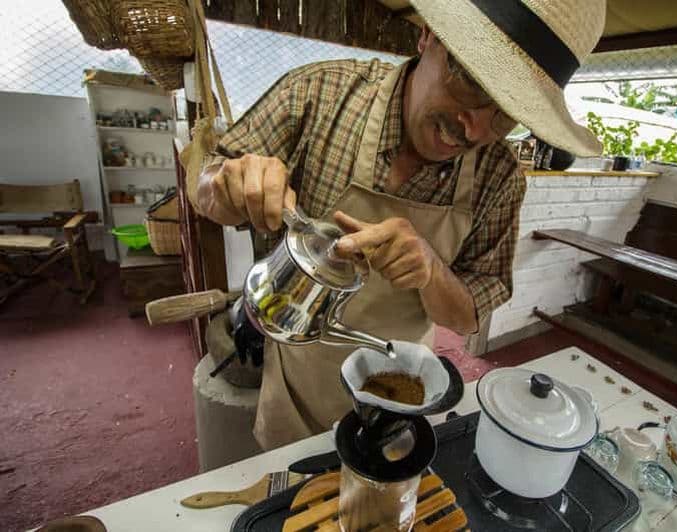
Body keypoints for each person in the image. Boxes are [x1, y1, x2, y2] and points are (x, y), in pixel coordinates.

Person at [197, 0, 606, 451]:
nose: (472, 130)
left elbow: (467, 315)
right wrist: (230, 184)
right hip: (297, 384)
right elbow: (209, 189)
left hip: (396, 396)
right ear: (427, 35)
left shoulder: (499, 178)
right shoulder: (320, 93)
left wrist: (432, 271)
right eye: (471, 79)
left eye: (506, 114)